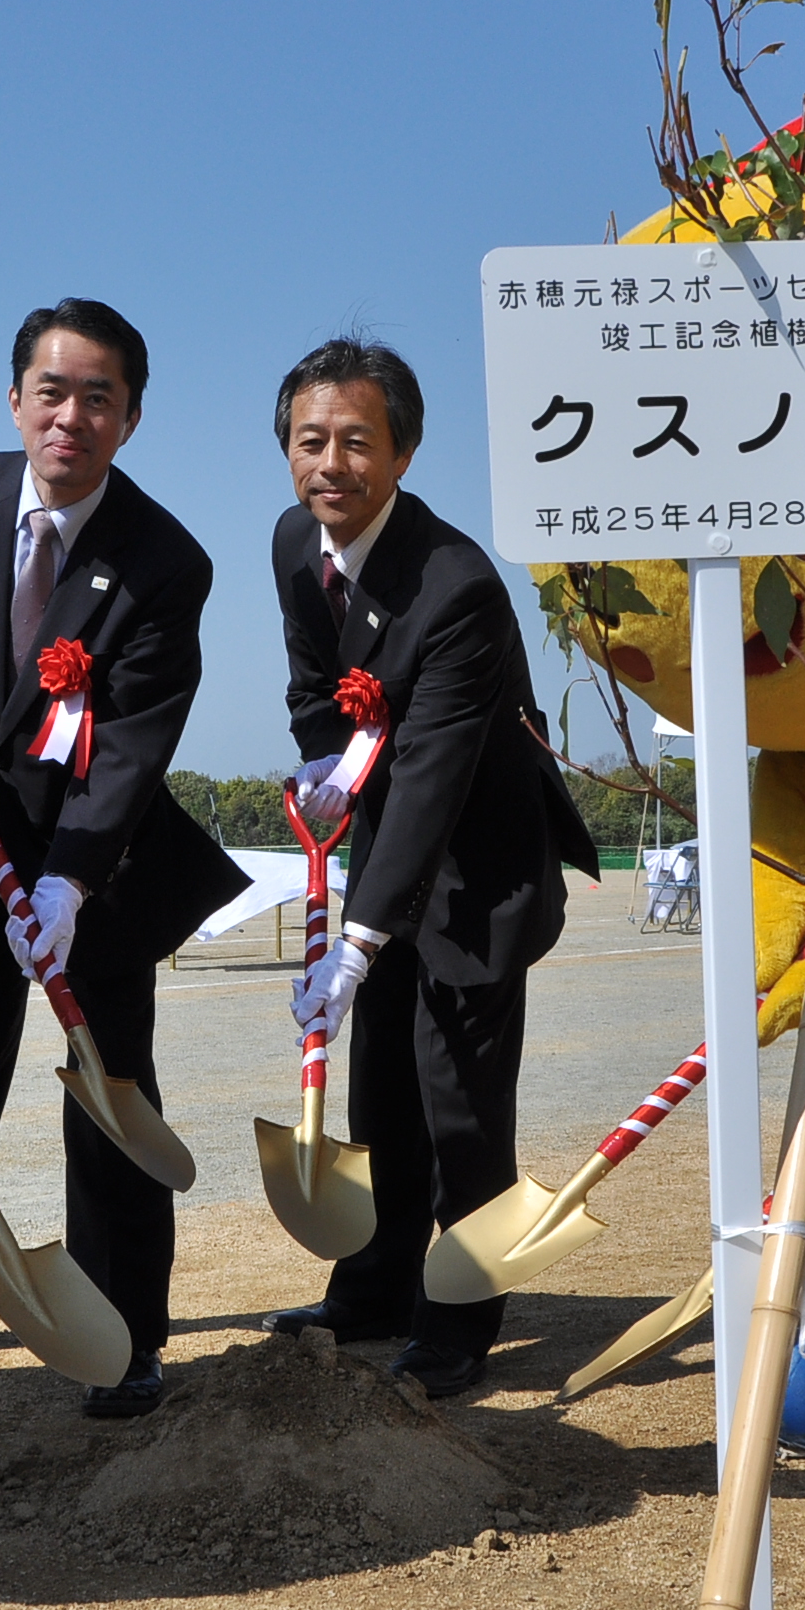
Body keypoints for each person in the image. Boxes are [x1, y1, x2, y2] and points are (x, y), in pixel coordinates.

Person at [0, 300, 246, 1416]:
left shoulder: (166, 560)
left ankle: (126, 1330)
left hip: (96, 864)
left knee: (107, 1084)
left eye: (99, 399)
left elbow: (131, 743)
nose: (71, 418)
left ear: (131, 417)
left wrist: (69, 880)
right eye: (52, 392)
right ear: (15, 398)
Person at [252, 340, 598, 1396]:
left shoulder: (456, 587)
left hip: (479, 864)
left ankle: (459, 1319)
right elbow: (318, 687)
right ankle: (373, 1289)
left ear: (402, 452)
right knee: (382, 1092)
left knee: (458, 1102)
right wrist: (329, 762)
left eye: (359, 441)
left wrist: (356, 946)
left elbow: (442, 769)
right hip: (388, 841)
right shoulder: (292, 544)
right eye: (312, 441)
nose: (332, 464)